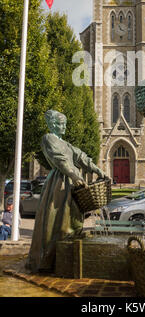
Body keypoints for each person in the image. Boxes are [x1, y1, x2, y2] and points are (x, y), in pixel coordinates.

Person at [26, 109, 108, 273]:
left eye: (65, 124)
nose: (64, 127)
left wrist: (98, 170)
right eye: (62, 124)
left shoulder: (66, 143)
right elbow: (58, 159)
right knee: (57, 221)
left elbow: (81, 157)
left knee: (75, 221)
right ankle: (48, 260)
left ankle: (67, 257)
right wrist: (72, 174)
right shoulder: (48, 138)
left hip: (72, 184)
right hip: (59, 185)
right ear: (54, 125)